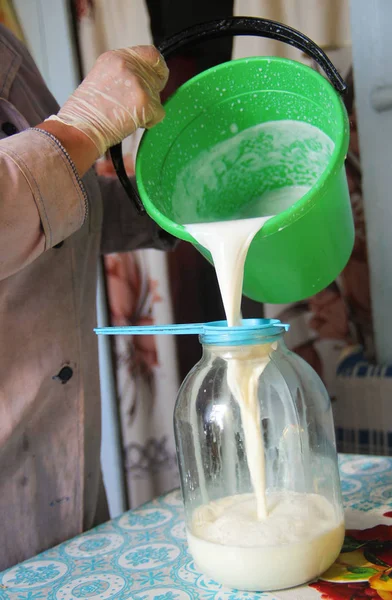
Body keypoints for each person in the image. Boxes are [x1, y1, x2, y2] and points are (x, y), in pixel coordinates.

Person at [0, 24, 171, 570]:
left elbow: (59, 209)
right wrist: (75, 130)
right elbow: (49, 161)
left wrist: (168, 200)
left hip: (64, 468)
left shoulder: (7, 43)